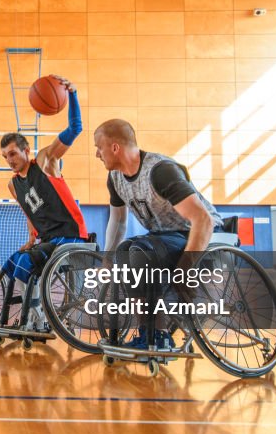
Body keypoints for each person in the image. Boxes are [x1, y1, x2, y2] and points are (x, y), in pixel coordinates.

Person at [94, 118, 224, 349]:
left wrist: (186, 266)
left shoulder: (160, 171)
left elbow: (202, 220)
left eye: (99, 147)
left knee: (143, 252)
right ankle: (148, 334)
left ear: (114, 147)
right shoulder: (115, 178)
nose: (97, 154)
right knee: (125, 251)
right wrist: (107, 258)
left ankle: (160, 337)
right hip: (165, 237)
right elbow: (118, 221)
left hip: (199, 233)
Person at [0, 75, 88, 328]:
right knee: (13, 262)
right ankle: (31, 316)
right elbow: (30, 213)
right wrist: (31, 238)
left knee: (27, 263)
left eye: (13, 153)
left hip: (71, 236)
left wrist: (72, 94)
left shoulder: (47, 161)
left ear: (27, 151)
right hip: (47, 240)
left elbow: (75, 129)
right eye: (5, 156)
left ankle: (36, 320)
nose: (9, 160)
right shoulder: (13, 185)